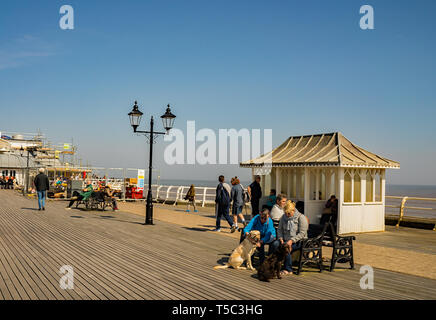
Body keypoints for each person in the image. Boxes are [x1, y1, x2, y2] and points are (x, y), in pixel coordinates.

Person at [270, 200, 308, 275]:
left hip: (298, 241)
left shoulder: (301, 217)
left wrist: (291, 240)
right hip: (284, 239)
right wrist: (280, 238)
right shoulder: (283, 217)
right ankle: (273, 265)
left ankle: (288, 269)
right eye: (286, 213)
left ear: (293, 210)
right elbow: (280, 229)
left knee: (286, 247)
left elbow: (302, 233)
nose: (287, 215)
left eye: (289, 213)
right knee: (274, 244)